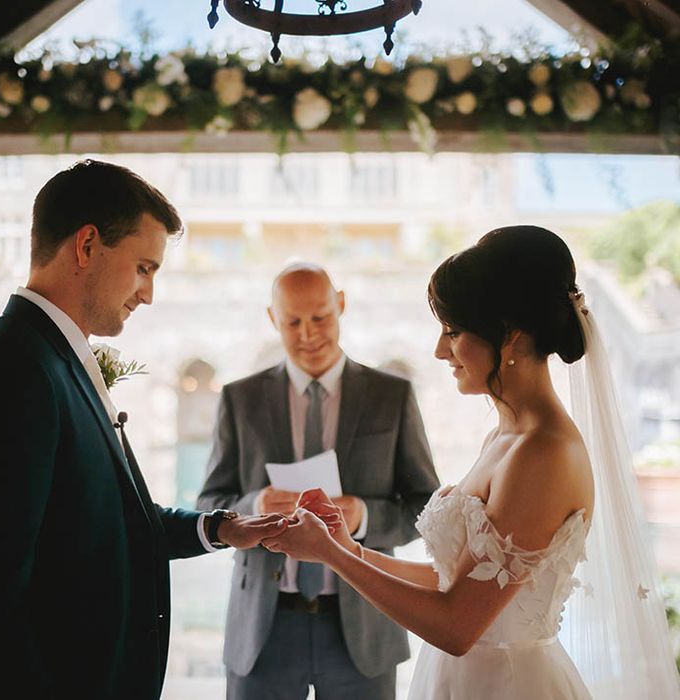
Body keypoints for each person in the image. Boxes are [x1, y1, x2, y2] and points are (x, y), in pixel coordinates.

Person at [264, 226, 680, 699]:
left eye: (453, 331)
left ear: (511, 336)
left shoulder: (543, 453)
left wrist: (331, 556)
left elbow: (458, 626)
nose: (441, 351)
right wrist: (352, 548)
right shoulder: (503, 436)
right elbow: (458, 581)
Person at [0, 159, 287, 700]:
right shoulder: (11, 376)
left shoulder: (51, 359)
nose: (148, 294)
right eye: (144, 267)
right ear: (87, 246)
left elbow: (102, 522)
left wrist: (220, 529)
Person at [196, 263, 440, 699]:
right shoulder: (240, 398)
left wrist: (362, 516)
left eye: (320, 318)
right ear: (274, 320)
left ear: (341, 305)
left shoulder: (392, 395)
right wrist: (254, 506)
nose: (308, 334)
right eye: (293, 322)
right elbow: (209, 501)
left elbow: (424, 507)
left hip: (363, 625)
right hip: (264, 628)